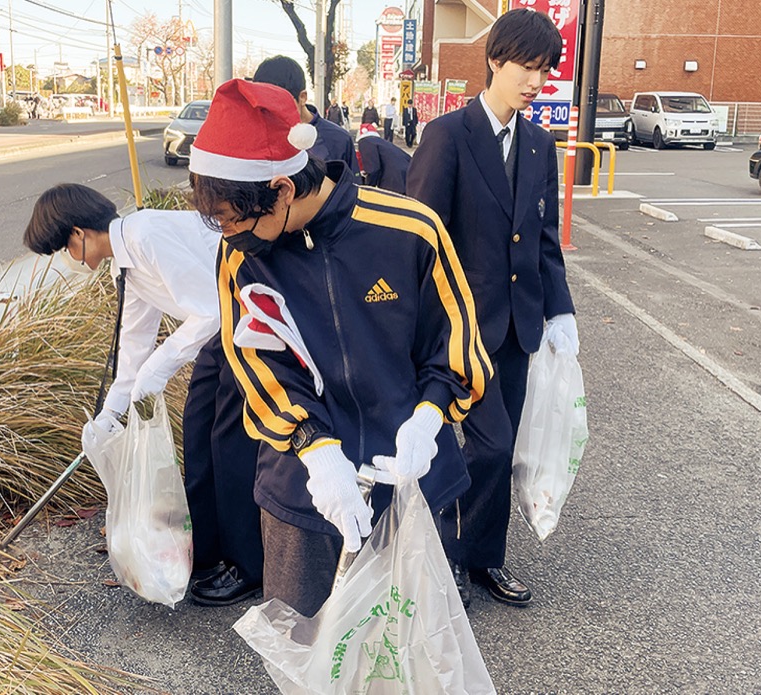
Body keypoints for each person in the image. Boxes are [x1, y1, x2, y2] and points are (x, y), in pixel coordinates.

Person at [187, 78, 491, 618]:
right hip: (306, 491)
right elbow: (255, 361)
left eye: (236, 219)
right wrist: (312, 444)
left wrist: (428, 420)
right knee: (303, 644)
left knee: (414, 642)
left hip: (412, 478)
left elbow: (456, 345)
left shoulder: (410, 230)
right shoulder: (242, 255)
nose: (230, 235)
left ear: (281, 189)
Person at [406, 8, 578, 609]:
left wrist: (561, 313)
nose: (535, 81)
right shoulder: (447, 136)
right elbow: (418, 238)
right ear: (495, 60)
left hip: (516, 327)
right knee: (488, 445)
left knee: (496, 451)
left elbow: (544, 239)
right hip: (458, 326)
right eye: (527, 67)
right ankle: (448, 557)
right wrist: (415, 324)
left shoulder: (538, 144)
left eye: (544, 69)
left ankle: (484, 559)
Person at [21, 184, 263, 607]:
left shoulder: (145, 235)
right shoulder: (125, 266)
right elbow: (133, 348)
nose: (67, 259)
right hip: (221, 334)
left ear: (78, 234)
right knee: (197, 434)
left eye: (63, 248)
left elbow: (211, 308)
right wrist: (109, 415)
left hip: (248, 326)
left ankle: (248, 568)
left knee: (227, 444)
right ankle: (205, 554)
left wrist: (158, 368)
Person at [253, 55, 360, 178]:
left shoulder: (337, 140)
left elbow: (352, 191)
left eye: (279, 104)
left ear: (302, 97)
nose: (272, 114)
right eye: (264, 107)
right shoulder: (255, 139)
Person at [357, 123, 411, 194]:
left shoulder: (365, 142)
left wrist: (368, 188)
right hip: (406, 175)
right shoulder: (381, 143)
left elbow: (373, 168)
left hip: (394, 181)